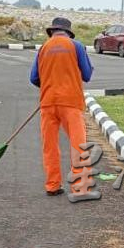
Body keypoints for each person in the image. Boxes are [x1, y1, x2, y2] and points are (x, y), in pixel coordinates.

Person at [29, 17, 94, 196]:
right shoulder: (77, 46)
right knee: (78, 145)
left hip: (48, 103)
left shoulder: (43, 48)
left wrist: (50, 85)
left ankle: (52, 185)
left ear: (52, 32)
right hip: (71, 103)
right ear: (68, 33)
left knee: (49, 146)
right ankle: (80, 187)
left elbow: (34, 78)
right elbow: (87, 75)